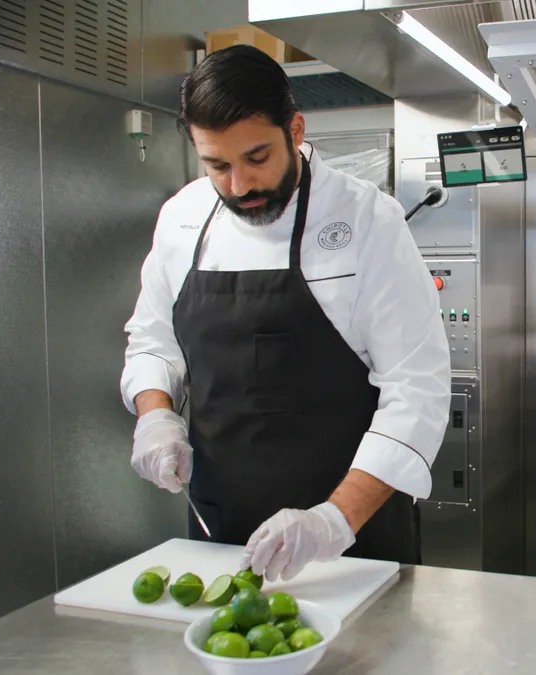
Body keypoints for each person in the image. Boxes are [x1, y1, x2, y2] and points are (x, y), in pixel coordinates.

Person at [120, 44, 451, 581]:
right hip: (220, 535)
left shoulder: (368, 221)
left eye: (256, 158)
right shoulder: (181, 219)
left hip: (351, 539)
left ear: (294, 131)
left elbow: (418, 389)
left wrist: (333, 521)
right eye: (216, 165)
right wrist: (155, 415)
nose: (238, 185)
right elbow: (153, 341)